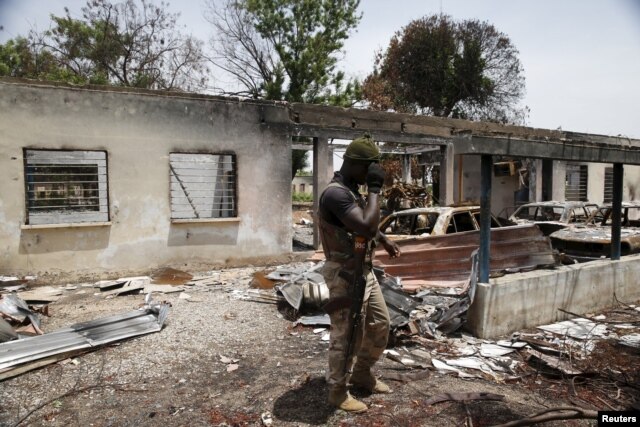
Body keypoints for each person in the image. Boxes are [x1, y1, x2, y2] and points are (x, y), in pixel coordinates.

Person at [318, 133, 401, 413]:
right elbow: (364, 225)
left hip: (362, 269)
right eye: (369, 169)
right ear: (353, 164)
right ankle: (337, 392)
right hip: (344, 274)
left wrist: (384, 239)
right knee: (347, 333)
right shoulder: (335, 193)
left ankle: (361, 373)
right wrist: (376, 189)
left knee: (379, 323)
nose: (371, 174)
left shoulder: (351, 189)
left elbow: (363, 225)